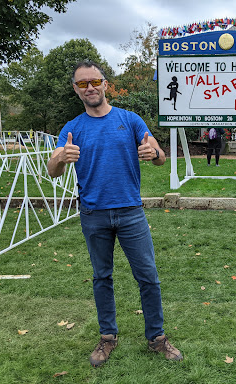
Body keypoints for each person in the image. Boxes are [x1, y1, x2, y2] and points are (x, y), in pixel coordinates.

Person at [47, 60, 183, 367]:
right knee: (102, 277)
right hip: (93, 214)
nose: (90, 88)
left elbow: (158, 155)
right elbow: (52, 169)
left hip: (130, 212)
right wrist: (60, 159)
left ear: (105, 83)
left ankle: (157, 337)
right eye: (83, 84)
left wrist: (154, 154)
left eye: (94, 81)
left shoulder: (130, 120)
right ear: (76, 89)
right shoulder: (72, 129)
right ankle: (107, 337)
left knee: (148, 276)